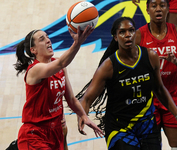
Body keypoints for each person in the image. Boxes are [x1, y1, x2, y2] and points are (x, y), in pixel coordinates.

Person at [76, 17, 177, 150]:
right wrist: (82, 116)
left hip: (146, 124)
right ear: (116, 37)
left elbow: (159, 89)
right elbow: (87, 98)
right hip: (120, 128)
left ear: (136, 33)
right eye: (122, 32)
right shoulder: (108, 67)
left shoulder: (151, 57)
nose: (128, 35)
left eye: (131, 30)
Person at [13, 26, 104, 150]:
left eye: (48, 37)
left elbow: (71, 99)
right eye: (42, 39)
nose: (48, 40)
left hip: (56, 132)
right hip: (35, 134)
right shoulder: (35, 70)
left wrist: (84, 116)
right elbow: (61, 62)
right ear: (33, 50)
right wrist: (77, 43)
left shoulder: (61, 69)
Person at [134, 0, 177, 149]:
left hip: (173, 96)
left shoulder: (176, 32)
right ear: (147, 10)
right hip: (149, 101)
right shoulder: (138, 35)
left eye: (162, 6)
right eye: (154, 6)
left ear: (168, 9)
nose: (158, 9)